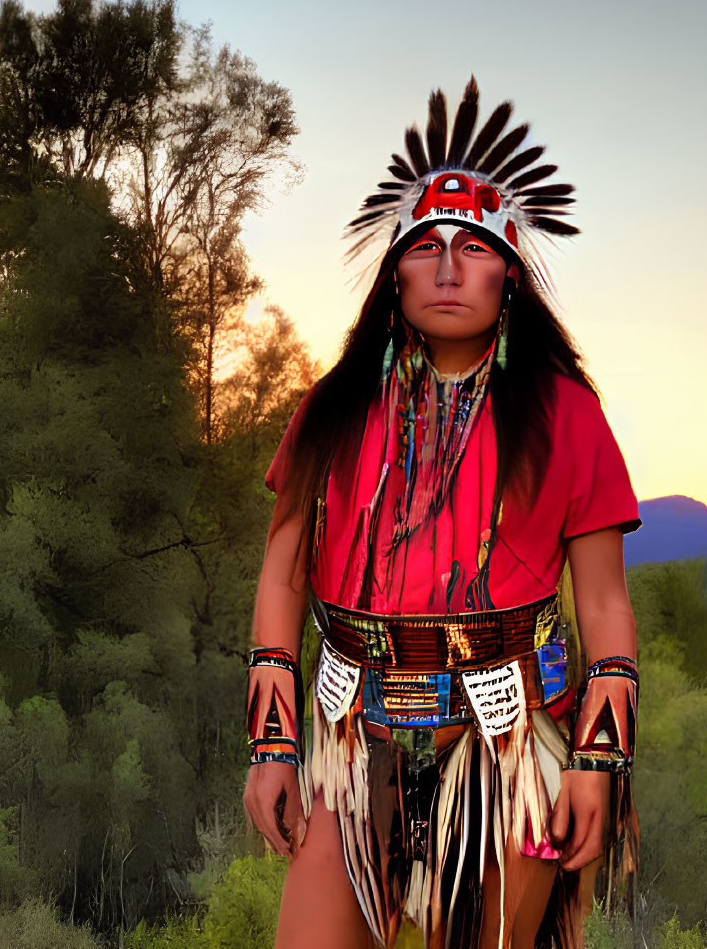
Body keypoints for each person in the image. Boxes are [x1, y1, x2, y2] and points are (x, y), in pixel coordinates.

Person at [243, 79, 642, 949]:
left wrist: (597, 761)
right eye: (427, 246)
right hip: (353, 740)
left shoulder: (564, 414)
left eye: (475, 246)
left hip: (509, 748)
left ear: (509, 273)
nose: (451, 265)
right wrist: (273, 748)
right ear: (395, 274)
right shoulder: (332, 407)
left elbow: (605, 606)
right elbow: (280, 576)